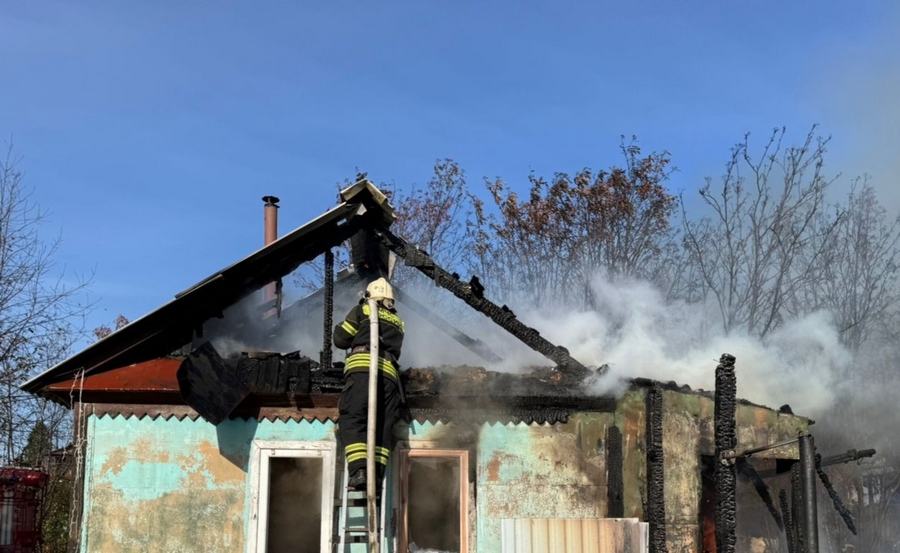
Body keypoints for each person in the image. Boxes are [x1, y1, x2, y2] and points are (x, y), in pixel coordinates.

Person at [333, 277, 405, 491]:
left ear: (368, 296)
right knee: (383, 425)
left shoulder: (363, 310)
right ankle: (377, 478)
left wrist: (341, 326)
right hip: (389, 378)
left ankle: (359, 472)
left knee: (352, 418)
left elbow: (340, 339)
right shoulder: (398, 322)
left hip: (362, 372)